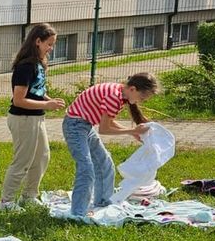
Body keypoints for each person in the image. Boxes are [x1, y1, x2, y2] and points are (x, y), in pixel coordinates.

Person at [62, 73, 160, 221]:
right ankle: (77, 214)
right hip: (75, 126)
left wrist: (132, 133)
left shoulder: (119, 93)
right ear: (133, 89)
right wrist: (132, 131)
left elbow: (108, 121)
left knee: (105, 163)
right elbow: (104, 129)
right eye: (142, 98)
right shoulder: (114, 97)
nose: (141, 101)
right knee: (86, 169)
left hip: (84, 125)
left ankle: (103, 202)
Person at [0, 24, 66, 211]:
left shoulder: (39, 63)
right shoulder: (25, 66)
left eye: (53, 45)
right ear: (37, 41)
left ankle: (29, 196)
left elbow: (36, 91)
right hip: (23, 119)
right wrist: (47, 105)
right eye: (49, 44)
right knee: (22, 161)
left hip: (36, 118)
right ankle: (6, 202)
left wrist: (49, 100)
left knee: (42, 156)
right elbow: (19, 100)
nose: (51, 48)